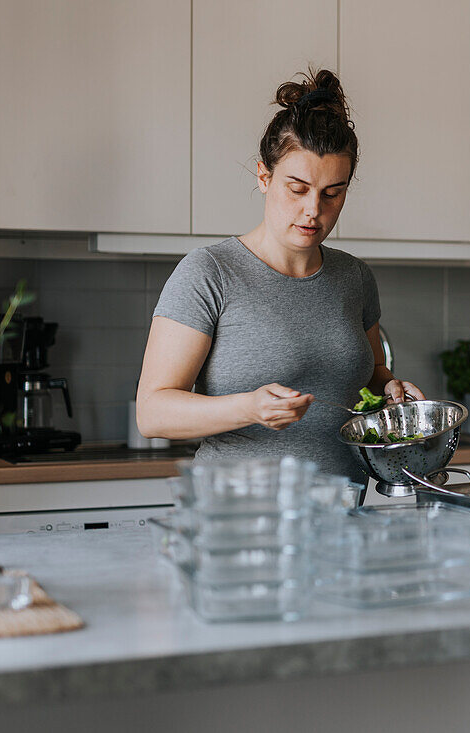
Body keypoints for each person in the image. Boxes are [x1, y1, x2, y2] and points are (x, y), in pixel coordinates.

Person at [136, 68, 423, 481]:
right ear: (264, 177)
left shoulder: (354, 277)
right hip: (239, 520)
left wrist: (391, 390)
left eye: (332, 193)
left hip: (340, 512)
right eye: (297, 188)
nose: (313, 210)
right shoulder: (210, 272)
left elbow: (372, 377)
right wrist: (248, 408)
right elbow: (152, 413)